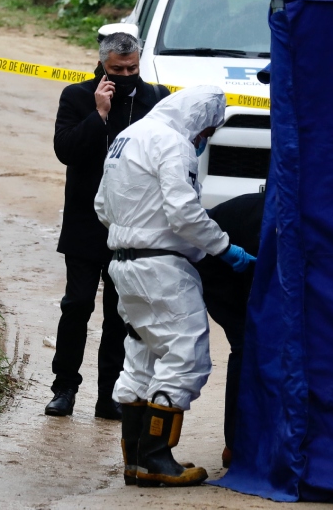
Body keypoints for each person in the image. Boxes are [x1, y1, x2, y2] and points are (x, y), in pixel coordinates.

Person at [94, 85, 257, 487]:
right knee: (186, 357)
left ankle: (134, 461)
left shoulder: (128, 136)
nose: (203, 141)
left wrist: (134, 232)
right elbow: (184, 213)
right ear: (199, 121)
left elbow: (101, 205)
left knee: (142, 357)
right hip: (161, 268)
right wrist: (224, 249)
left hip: (123, 264)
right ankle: (156, 458)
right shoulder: (174, 144)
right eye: (207, 132)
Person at [48, 31, 170, 419]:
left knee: (120, 314)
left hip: (132, 226)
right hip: (85, 221)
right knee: (77, 306)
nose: (126, 74)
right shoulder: (77, 96)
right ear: (102, 65)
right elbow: (65, 150)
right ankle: (64, 388)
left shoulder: (156, 99)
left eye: (132, 67)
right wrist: (98, 113)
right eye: (118, 69)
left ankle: (109, 396)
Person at [196, 190, 264, 469]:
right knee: (247, 346)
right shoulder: (265, 220)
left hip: (237, 262)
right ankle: (234, 446)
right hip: (217, 270)